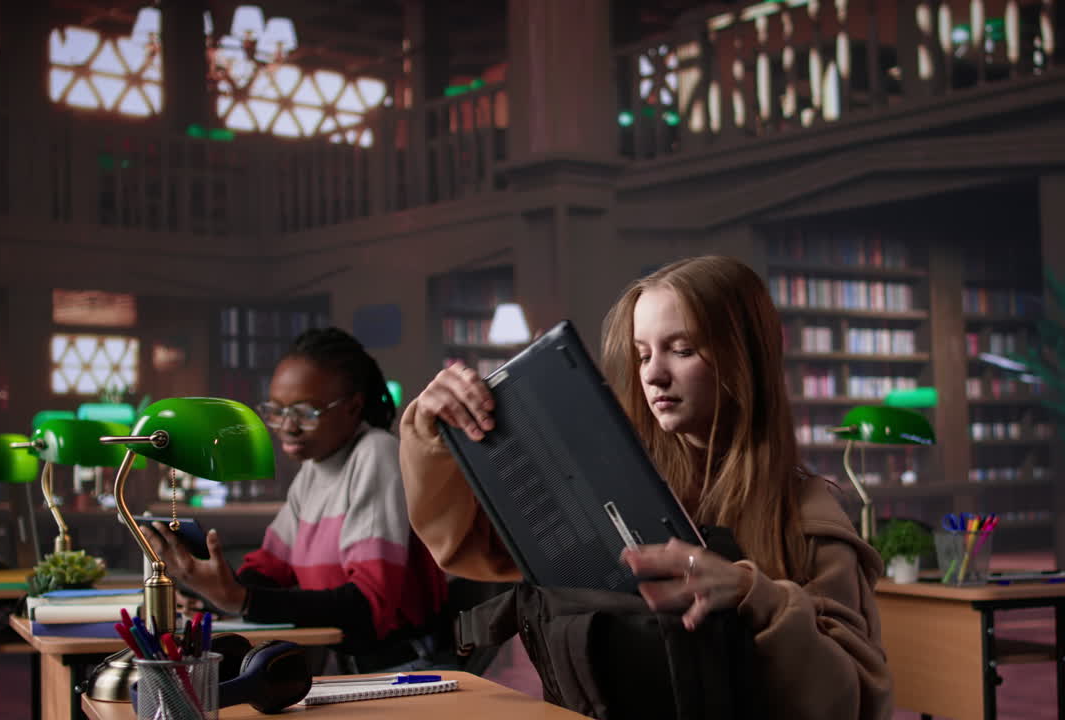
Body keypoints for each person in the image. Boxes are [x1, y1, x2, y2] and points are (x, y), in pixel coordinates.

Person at [400, 256, 892, 719]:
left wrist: (751, 593)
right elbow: (471, 547)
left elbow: (849, 698)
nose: (653, 374)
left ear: (744, 357)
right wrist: (429, 428)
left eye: (682, 349)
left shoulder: (808, 514)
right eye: (642, 354)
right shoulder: (610, 482)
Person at [143, 327, 450, 672]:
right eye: (276, 410)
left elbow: (368, 607)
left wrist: (241, 600)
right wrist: (214, 592)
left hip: (401, 672)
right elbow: (269, 570)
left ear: (353, 406)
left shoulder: (375, 454)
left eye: (305, 413)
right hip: (344, 668)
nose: (287, 427)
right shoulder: (313, 471)